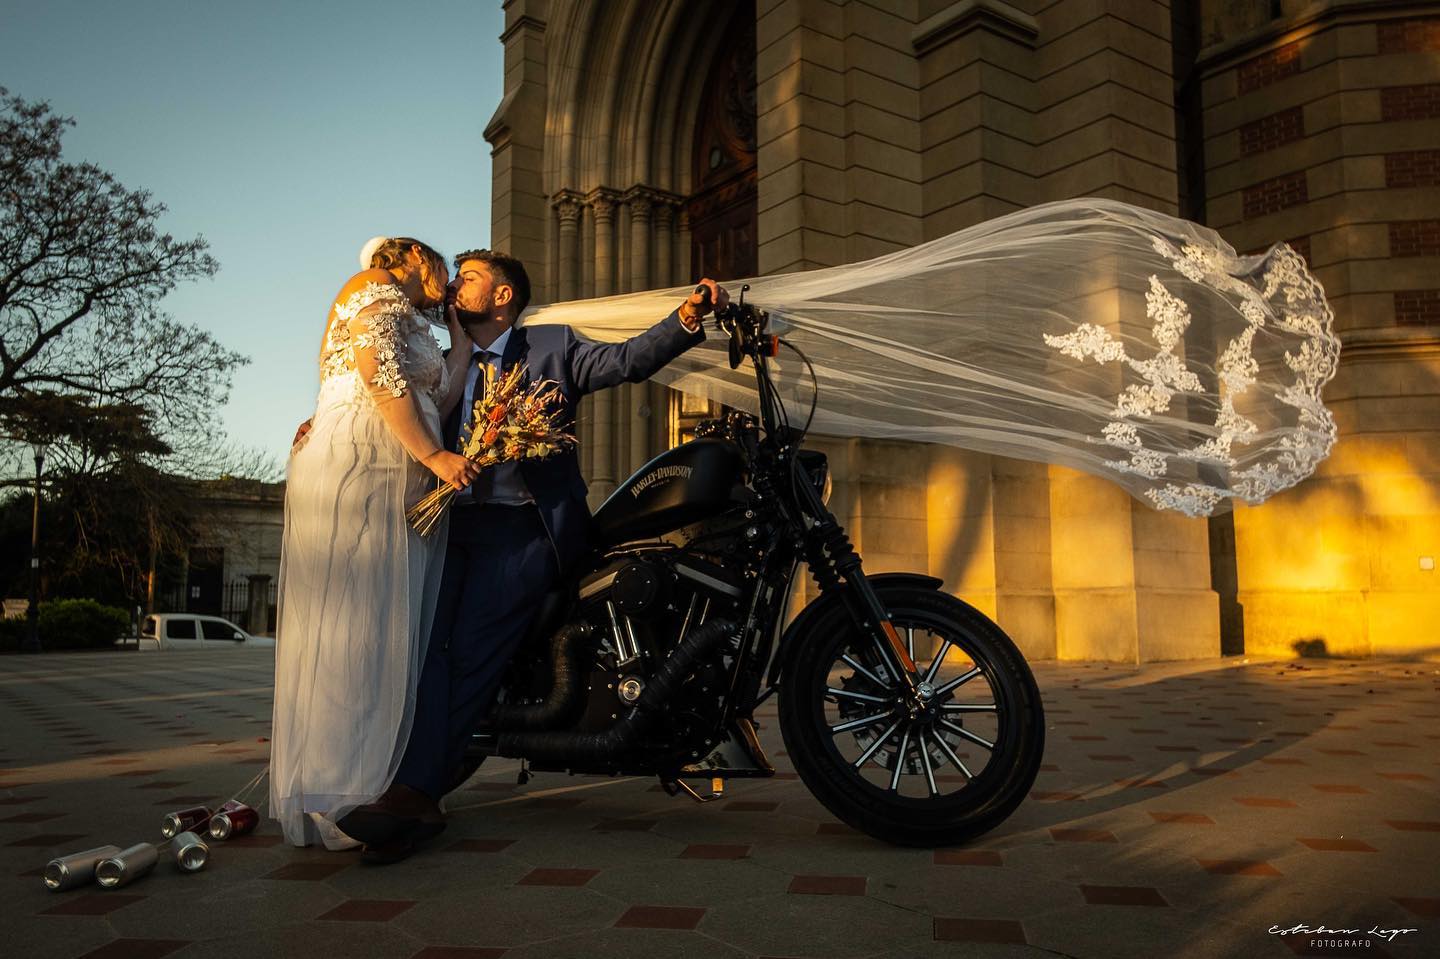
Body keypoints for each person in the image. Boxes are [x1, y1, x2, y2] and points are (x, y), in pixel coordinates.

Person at [337, 249, 725, 862]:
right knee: (424, 651)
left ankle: (412, 795)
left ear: (502, 297)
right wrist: (323, 425)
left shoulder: (553, 346)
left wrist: (684, 318)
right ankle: (408, 793)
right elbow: (388, 403)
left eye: (469, 277)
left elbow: (626, 362)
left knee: (467, 652)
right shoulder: (444, 362)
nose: (455, 285)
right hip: (447, 528)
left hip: (522, 532)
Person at [270, 237, 480, 850]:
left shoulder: (415, 320)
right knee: (354, 624)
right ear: (414, 258)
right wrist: (435, 454)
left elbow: (431, 400)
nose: (451, 281)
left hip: (401, 466)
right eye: (445, 269)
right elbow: (376, 368)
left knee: (387, 626)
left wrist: (460, 349)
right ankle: (340, 790)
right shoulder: (373, 287)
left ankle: (371, 784)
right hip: (366, 462)